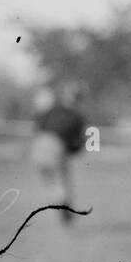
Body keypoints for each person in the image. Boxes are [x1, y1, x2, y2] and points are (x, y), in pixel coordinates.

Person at [31, 82, 86, 224]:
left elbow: (38, 124)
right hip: (56, 146)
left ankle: (61, 204)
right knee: (62, 180)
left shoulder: (53, 108)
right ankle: (64, 207)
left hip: (38, 144)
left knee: (50, 181)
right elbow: (77, 145)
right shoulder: (77, 117)